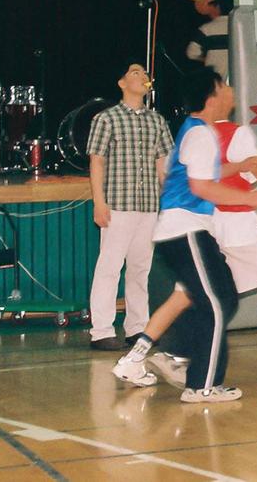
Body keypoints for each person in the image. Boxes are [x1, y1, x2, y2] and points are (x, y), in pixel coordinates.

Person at [113, 123, 257, 388]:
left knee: (184, 296)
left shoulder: (192, 137)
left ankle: (134, 358)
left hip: (210, 225)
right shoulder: (237, 133)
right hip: (237, 226)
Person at [144, 67, 257, 403]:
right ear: (212, 96)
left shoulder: (200, 133)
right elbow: (202, 186)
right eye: (224, 86)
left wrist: (246, 164)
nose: (230, 92)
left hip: (191, 232)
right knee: (216, 304)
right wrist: (250, 198)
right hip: (185, 231)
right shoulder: (200, 134)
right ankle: (202, 385)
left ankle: (183, 354)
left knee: (223, 297)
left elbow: (209, 174)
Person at [85, 60, 174, 351]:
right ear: (122, 83)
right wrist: (99, 202)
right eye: (134, 72)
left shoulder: (157, 121)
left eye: (145, 73)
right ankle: (101, 330)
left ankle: (137, 327)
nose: (142, 76)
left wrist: (170, 202)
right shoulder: (106, 119)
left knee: (140, 268)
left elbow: (164, 165)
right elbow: (96, 161)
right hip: (118, 204)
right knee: (109, 266)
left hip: (148, 204)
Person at [186, 0, 233, 80]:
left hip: (215, 82)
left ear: (218, 7)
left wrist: (205, 58)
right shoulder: (242, 27)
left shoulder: (206, 29)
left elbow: (191, 53)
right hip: (239, 82)